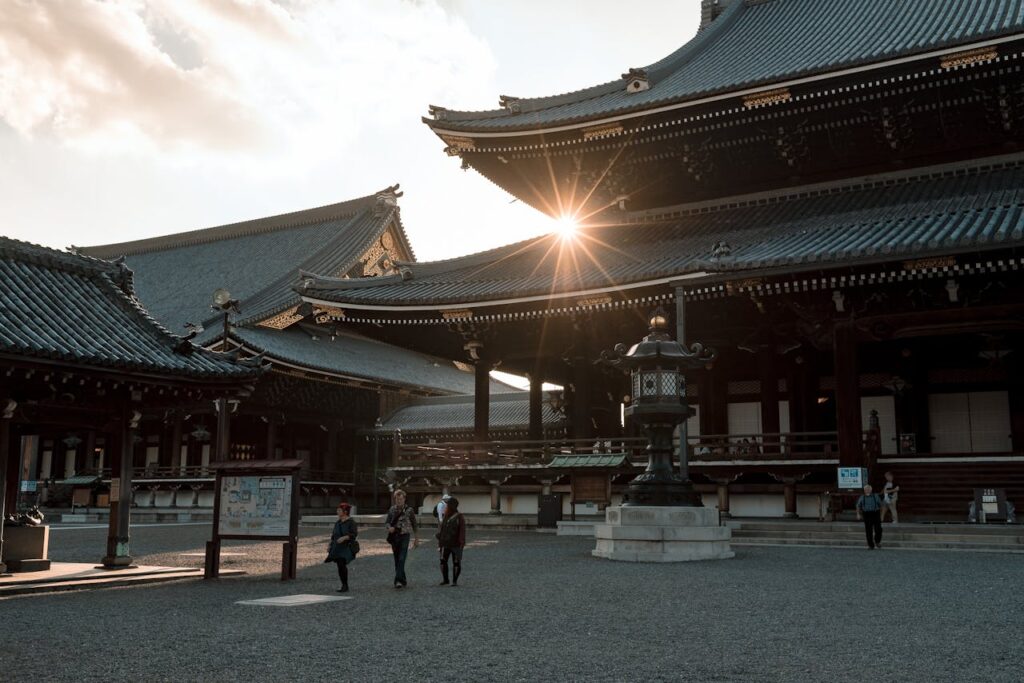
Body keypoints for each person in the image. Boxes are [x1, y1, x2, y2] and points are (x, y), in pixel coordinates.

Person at [386, 489, 419, 588]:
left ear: (404, 499)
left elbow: (414, 524)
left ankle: (397, 580)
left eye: (400, 499)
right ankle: (403, 580)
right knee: (397, 559)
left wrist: (416, 539)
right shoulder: (392, 509)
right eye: (397, 499)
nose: (398, 501)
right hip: (394, 536)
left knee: (402, 558)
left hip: (405, 536)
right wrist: (389, 528)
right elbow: (387, 522)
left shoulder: (410, 510)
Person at [325, 502, 358, 592]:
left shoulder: (351, 522)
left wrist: (344, 538)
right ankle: (343, 584)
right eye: (338, 510)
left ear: (345, 512)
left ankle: (345, 585)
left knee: (341, 563)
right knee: (340, 566)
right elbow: (333, 536)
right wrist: (330, 545)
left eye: (339, 510)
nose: (337, 511)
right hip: (337, 547)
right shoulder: (337, 523)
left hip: (346, 547)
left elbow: (354, 534)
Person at [437, 496, 466, 587]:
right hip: (445, 543)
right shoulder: (446, 516)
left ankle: (454, 581)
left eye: (448, 505)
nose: (446, 507)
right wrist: (440, 542)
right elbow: (443, 529)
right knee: (442, 561)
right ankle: (445, 579)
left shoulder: (459, 517)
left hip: (455, 544)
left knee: (456, 562)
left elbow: (462, 530)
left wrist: (461, 542)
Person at [856, 484, 884, 549]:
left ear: (871, 490)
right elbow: (858, 506)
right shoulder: (862, 497)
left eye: (868, 489)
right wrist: (858, 514)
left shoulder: (875, 496)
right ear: (864, 490)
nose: (867, 491)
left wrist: (882, 515)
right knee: (868, 530)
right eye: (866, 489)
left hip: (875, 513)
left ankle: (877, 541)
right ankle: (870, 545)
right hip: (866, 514)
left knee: (878, 529)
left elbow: (881, 506)